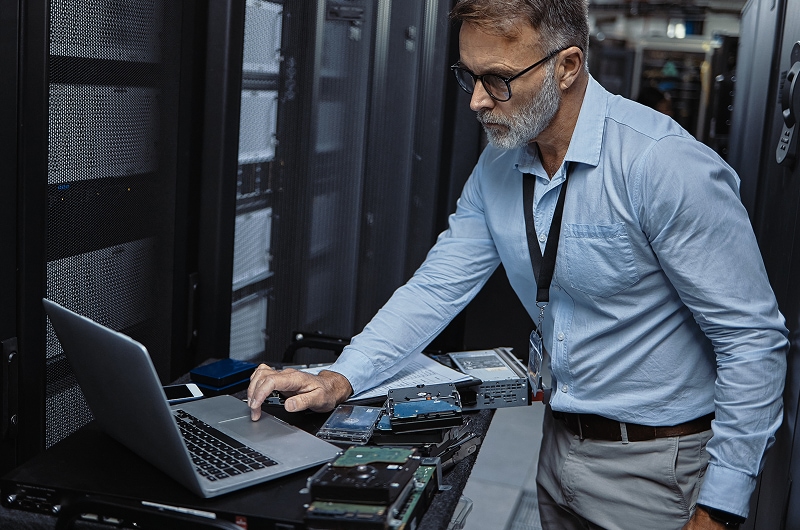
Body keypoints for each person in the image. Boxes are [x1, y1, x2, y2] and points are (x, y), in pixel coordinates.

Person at [248, 1, 788, 528]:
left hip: (660, 469)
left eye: (499, 79)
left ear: (567, 66)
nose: (478, 101)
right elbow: (437, 287)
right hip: (557, 445)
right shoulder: (500, 161)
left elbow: (751, 340)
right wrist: (342, 374)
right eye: (469, 76)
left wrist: (719, 507)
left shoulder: (664, 166)